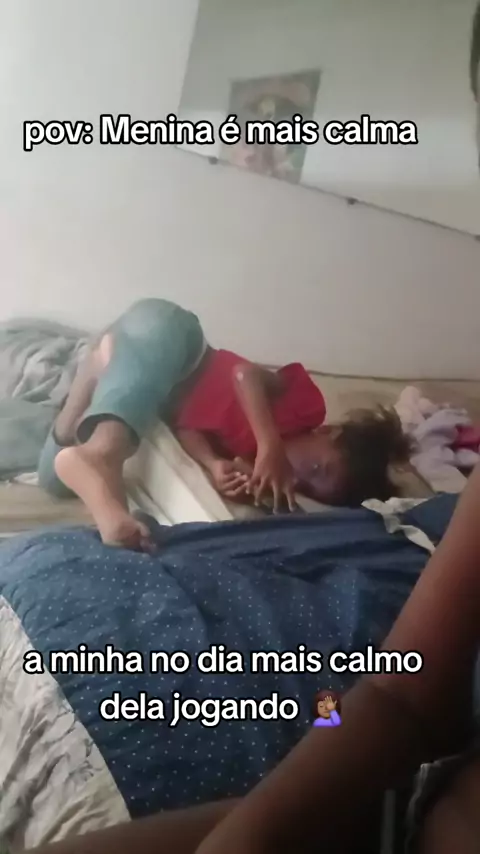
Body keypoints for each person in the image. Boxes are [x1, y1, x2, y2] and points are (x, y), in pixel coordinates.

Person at [38, 297, 410, 550]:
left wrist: (214, 464)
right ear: (329, 432)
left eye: (308, 487)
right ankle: (102, 451)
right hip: (173, 340)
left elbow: (188, 428)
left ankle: (94, 372)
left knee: (52, 479)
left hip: (142, 377)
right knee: (105, 446)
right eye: (315, 468)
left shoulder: (241, 452)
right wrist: (270, 445)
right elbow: (244, 375)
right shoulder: (304, 407)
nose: (297, 478)